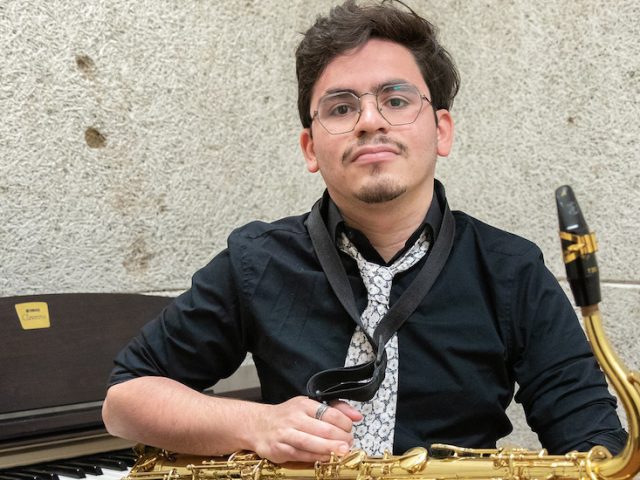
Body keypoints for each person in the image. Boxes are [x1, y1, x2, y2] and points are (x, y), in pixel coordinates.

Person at [102, 0, 627, 464]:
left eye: (396, 100)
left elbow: (595, 445)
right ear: (311, 148)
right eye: (341, 107)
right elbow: (124, 402)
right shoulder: (257, 259)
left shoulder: (512, 270)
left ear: (441, 130)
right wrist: (255, 424)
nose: (369, 121)